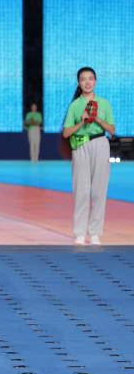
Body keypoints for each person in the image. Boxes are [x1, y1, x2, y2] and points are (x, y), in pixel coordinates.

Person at [62, 67, 115, 245]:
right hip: (80, 146)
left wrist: (97, 119)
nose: (87, 82)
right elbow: (66, 133)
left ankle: (95, 234)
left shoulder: (104, 103)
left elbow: (112, 130)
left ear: (95, 82)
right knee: (82, 192)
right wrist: (81, 121)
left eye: (90, 78)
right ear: (79, 83)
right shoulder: (75, 105)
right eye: (83, 79)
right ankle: (79, 233)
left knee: (99, 191)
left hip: (100, 144)